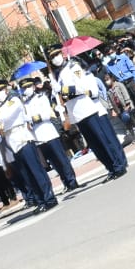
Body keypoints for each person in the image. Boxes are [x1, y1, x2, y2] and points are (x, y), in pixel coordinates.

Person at [52, 44, 129, 181]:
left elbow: (82, 87)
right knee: (94, 145)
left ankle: (118, 166)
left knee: (103, 140)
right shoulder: (60, 74)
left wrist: (64, 89)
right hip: (76, 112)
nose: (54, 58)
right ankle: (110, 168)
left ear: (62, 54)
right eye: (52, 57)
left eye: (56, 55)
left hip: (86, 108)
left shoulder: (73, 68)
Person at [0, 79, 59, 212]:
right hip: (12, 143)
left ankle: (49, 198)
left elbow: (7, 117)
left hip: (23, 138)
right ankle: (40, 201)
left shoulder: (14, 101)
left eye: (0, 90)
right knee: (27, 175)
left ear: (6, 90)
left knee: (36, 171)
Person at [19, 76, 79, 192]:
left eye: (28, 87)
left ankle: (72, 181)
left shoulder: (41, 98)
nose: (26, 89)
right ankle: (66, 183)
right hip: (38, 137)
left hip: (49, 133)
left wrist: (32, 118)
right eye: (24, 88)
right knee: (54, 163)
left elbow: (46, 114)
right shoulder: (24, 104)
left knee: (62, 159)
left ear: (33, 87)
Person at [103, 73, 135, 145]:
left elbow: (125, 94)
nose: (107, 81)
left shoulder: (119, 85)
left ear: (112, 78)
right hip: (118, 109)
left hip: (126, 106)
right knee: (127, 123)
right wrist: (112, 110)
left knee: (132, 120)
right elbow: (109, 101)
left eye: (108, 79)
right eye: (105, 80)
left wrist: (127, 104)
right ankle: (134, 137)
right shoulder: (108, 91)